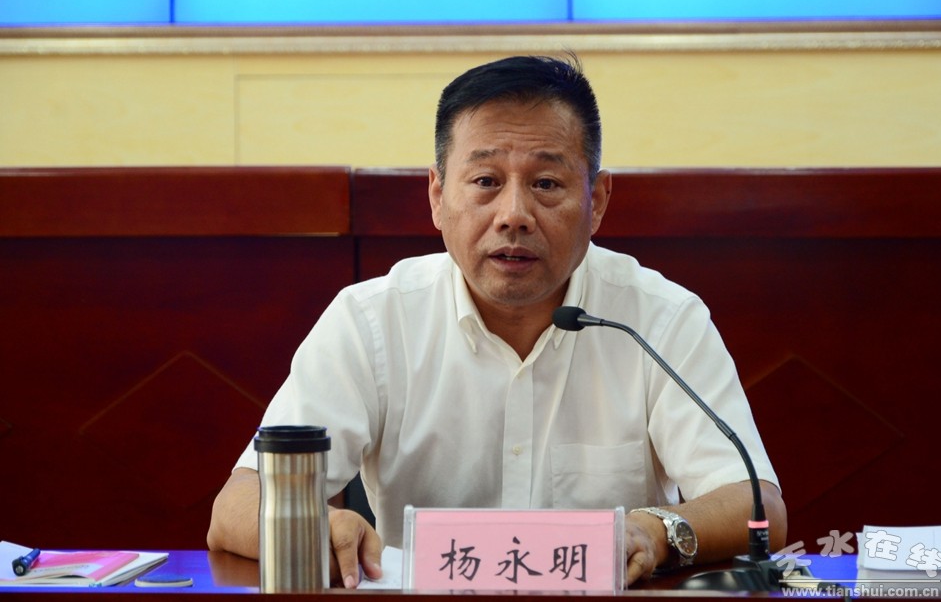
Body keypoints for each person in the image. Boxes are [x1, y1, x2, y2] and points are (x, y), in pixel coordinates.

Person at [207, 54, 787, 588]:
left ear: (598, 200)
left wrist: (656, 531)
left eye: (546, 184)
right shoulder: (372, 321)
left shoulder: (659, 318)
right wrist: (319, 528)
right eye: (485, 181)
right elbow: (236, 507)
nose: (514, 215)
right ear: (437, 195)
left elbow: (756, 505)